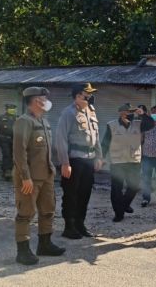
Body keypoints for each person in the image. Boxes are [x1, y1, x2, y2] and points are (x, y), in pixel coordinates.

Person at [12, 87, 65, 265]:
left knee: (48, 210)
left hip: (46, 174)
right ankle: (23, 251)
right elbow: (19, 152)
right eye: (44, 98)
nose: (47, 101)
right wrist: (25, 176)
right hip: (30, 177)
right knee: (25, 213)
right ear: (36, 101)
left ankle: (45, 244)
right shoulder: (24, 121)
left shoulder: (44, 121)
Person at [55, 83, 103, 239]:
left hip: (89, 160)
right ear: (77, 96)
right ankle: (69, 227)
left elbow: (96, 137)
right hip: (74, 160)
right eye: (86, 94)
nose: (89, 97)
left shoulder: (91, 112)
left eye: (90, 94)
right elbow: (61, 139)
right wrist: (65, 163)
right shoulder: (68, 113)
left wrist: (99, 156)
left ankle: (80, 224)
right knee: (71, 195)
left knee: (85, 194)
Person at [101, 103, 153, 222]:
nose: (130, 114)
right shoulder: (112, 125)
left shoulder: (138, 124)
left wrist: (143, 114)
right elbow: (105, 143)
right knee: (116, 189)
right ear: (121, 113)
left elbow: (151, 124)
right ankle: (118, 214)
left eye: (131, 112)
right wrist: (102, 157)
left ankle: (124, 205)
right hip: (117, 161)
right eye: (127, 112)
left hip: (133, 160)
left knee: (134, 186)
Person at [0, 103, 18, 180]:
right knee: (6, 153)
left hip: (14, 140)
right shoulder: (0, 118)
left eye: (13, 108)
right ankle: (7, 171)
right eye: (10, 108)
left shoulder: (18, 118)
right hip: (3, 139)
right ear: (6, 109)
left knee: (12, 155)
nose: (12, 110)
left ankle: (8, 169)